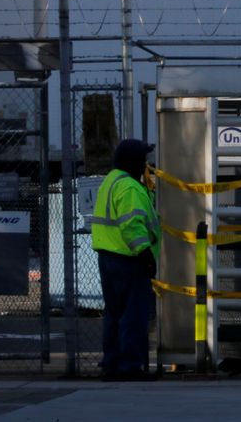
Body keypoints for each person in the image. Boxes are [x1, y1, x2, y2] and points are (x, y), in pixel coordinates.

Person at [91, 139, 161, 381]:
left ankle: (112, 363)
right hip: (129, 259)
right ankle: (130, 366)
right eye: (143, 159)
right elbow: (132, 225)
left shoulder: (111, 181)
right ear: (133, 161)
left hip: (109, 257)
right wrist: (146, 254)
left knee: (114, 313)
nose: (146, 164)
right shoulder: (130, 188)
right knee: (134, 314)